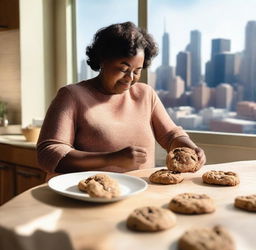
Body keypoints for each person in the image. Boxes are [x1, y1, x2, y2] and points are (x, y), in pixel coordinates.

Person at [37, 21, 206, 173]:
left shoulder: (145, 94)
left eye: (137, 71)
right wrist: (111, 159)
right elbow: (49, 153)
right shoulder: (71, 96)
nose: (130, 77)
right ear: (103, 60)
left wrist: (191, 148)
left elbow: (170, 135)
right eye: (124, 69)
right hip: (89, 196)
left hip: (141, 193)